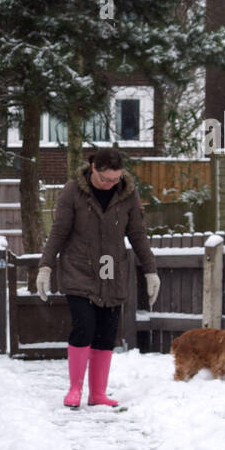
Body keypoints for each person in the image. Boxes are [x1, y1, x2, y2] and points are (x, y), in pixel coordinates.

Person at [36, 148, 160, 408]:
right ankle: (75, 390)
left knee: (106, 333)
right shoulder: (73, 191)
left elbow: (138, 234)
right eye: (106, 180)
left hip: (112, 272)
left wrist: (150, 271)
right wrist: (45, 266)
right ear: (94, 168)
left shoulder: (127, 193)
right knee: (84, 326)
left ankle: (98, 393)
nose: (111, 185)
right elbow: (59, 231)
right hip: (79, 269)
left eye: (116, 179)